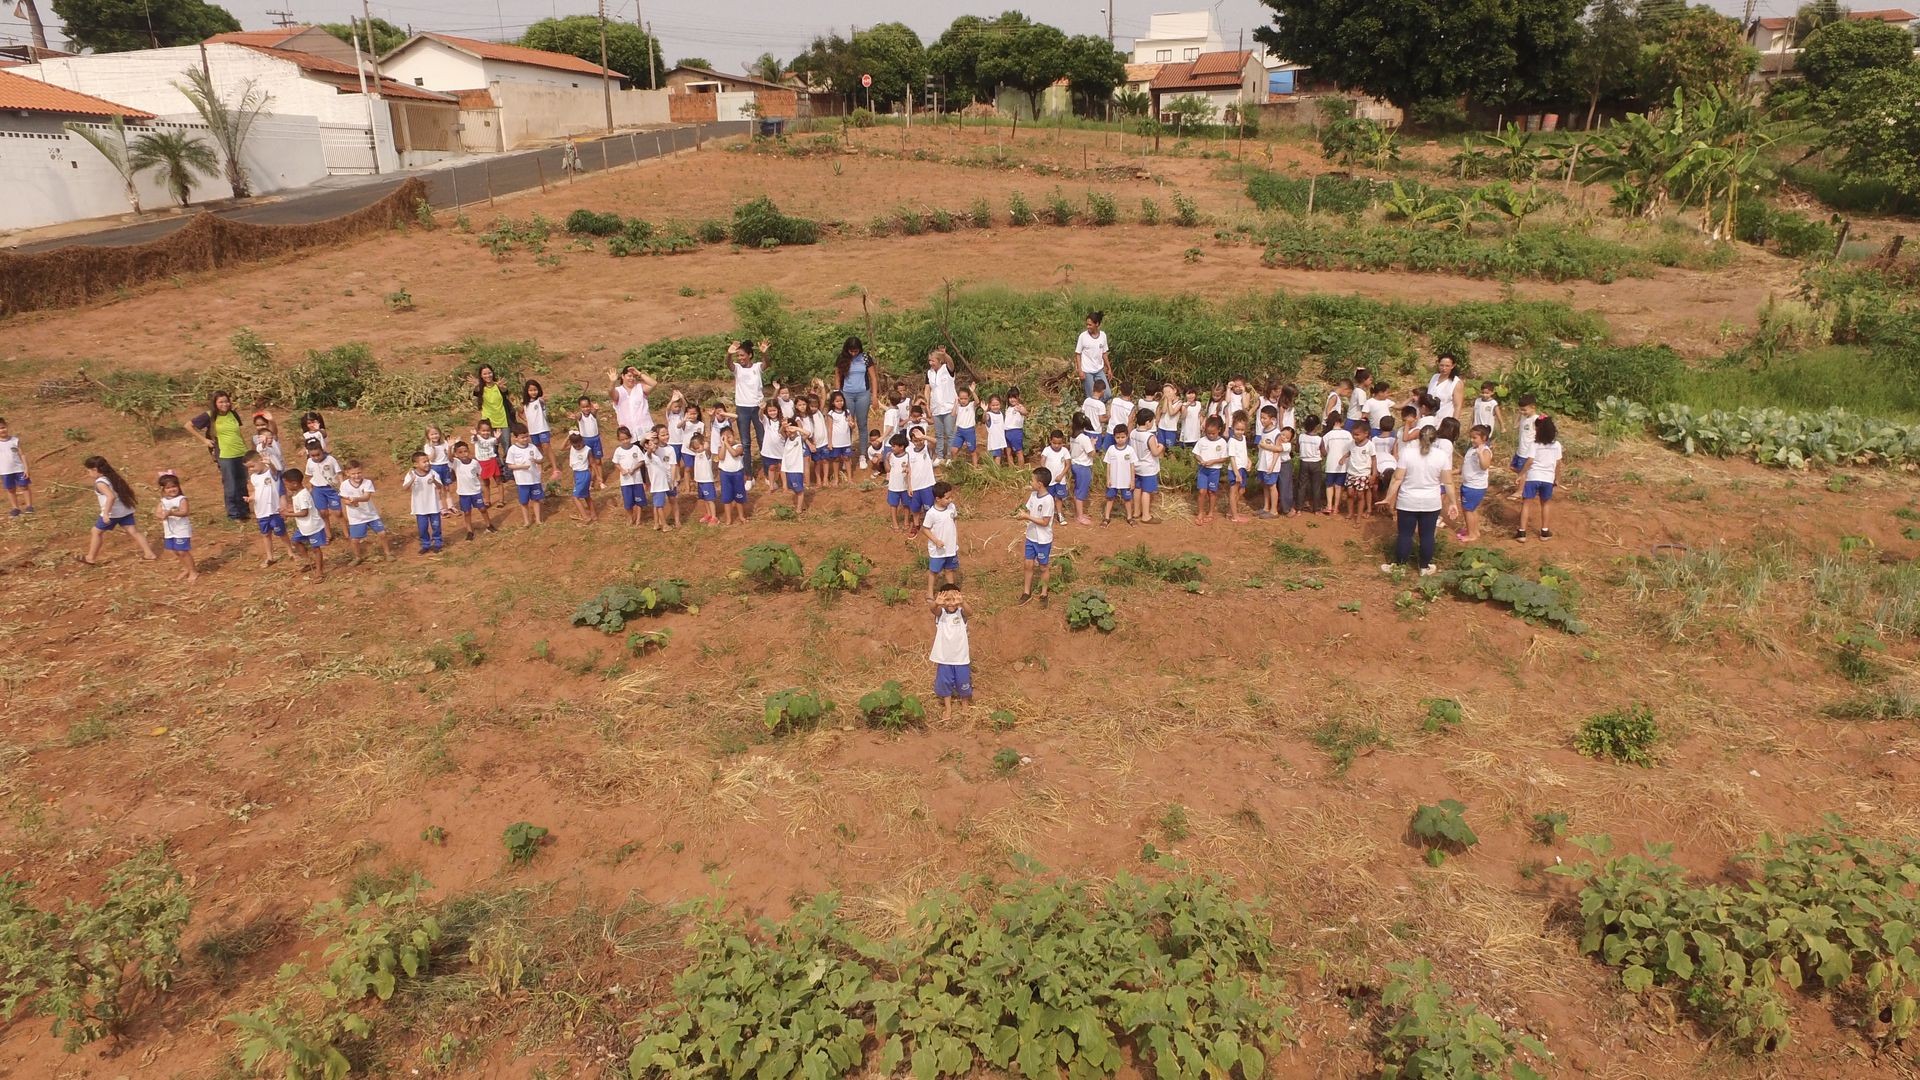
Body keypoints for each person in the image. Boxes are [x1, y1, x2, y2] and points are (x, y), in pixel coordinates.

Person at [1378, 426, 1456, 576]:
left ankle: (1400, 567)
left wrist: (1388, 498)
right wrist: (1453, 503)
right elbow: (1448, 483)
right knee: (1427, 536)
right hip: (1431, 502)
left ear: (1418, 437)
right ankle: (1424, 567)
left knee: (1405, 534)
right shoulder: (1441, 456)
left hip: (1407, 501)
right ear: (1435, 439)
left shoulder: (1407, 453)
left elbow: (1397, 478)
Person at [78, 454, 156, 566]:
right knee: (134, 531)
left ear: (95, 469)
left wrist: (105, 514)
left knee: (96, 532)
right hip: (125, 510)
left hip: (113, 513)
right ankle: (149, 554)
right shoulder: (112, 477)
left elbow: (111, 497)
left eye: (88, 471)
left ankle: (90, 557)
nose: (88, 473)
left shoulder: (100, 483)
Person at [187, 391, 251, 519]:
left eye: (226, 401)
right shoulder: (210, 416)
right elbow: (188, 425)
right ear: (215, 403)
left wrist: (246, 451)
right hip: (225, 454)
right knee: (230, 484)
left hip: (240, 452)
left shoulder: (233, 414)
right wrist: (204, 440)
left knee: (242, 483)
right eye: (221, 402)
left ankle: (244, 510)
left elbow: (238, 433)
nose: (225, 404)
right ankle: (233, 513)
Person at [929, 584, 972, 723]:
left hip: (961, 658)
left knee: (963, 683)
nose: (951, 603)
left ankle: (964, 704)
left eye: (954, 599)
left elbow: (970, 612)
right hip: (944, 657)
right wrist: (936, 603)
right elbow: (933, 610)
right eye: (947, 599)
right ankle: (948, 708)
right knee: (945, 683)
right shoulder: (941, 614)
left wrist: (963, 602)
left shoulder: (961, 613)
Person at [1517, 416, 1562, 542]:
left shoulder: (1534, 444)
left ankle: (1522, 533)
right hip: (1548, 478)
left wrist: (1521, 474)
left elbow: (1530, 461)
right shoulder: (1557, 445)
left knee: (1526, 503)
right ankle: (1544, 531)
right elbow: (1558, 463)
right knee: (1545, 504)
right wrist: (1557, 478)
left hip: (1533, 477)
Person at [339, 461, 394, 562]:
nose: (357, 475)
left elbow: (366, 497)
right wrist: (350, 503)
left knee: (382, 533)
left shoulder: (367, 482)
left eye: (359, 472)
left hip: (371, 514)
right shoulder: (344, 485)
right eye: (353, 473)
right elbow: (343, 499)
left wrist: (355, 500)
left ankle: (388, 553)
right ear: (347, 473)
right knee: (355, 540)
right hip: (356, 517)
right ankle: (357, 557)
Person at [727, 339, 769, 462]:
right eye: (738, 355)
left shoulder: (756, 367)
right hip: (742, 408)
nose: (740, 358)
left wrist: (764, 353)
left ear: (749, 355)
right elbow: (729, 365)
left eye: (742, 355)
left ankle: (767, 473)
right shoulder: (738, 368)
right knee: (745, 442)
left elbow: (766, 364)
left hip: (758, 408)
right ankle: (748, 476)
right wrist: (729, 354)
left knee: (762, 439)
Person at [284, 467, 329, 579]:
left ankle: (319, 572)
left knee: (316, 549)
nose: (286, 486)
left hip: (313, 527)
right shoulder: (298, 494)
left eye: (286, 484)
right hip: (304, 527)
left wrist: (288, 515)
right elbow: (301, 509)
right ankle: (308, 562)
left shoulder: (303, 495)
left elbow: (304, 513)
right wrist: (290, 510)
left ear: (294, 484)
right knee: (295, 541)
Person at [1019, 467, 1056, 605]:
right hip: (1031, 537)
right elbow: (1030, 510)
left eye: (1032, 480)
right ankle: (1026, 592)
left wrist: (1026, 517)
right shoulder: (1034, 495)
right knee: (1028, 564)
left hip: (1043, 540)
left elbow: (1045, 522)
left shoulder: (1048, 500)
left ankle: (1044, 593)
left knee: (1043, 566)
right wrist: (1023, 515)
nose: (1031, 482)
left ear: (1039, 483)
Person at [245, 451, 288, 566]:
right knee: (265, 534)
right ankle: (270, 557)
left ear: (260, 460)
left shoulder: (271, 473)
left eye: (252, 466)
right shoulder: (253, 478)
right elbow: (256, 491)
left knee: (281, 533)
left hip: (274, 510)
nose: (251, 469)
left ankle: (290, 552)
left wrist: (271, 464)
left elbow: (275, 472)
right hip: (261, 512)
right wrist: (251, 498)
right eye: (248, 468)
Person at [835, 336, 876, 450]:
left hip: (863, 394)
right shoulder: (842, 358)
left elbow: (873, 378)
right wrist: (837, 395)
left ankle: (863, 453)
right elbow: (837, 377)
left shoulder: (866, 358)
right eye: (851, 351)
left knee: (862, 424)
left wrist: (875, 396)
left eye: (856, 351)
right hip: (846, 394)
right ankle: (846, 451)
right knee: (847, 423)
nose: (853, 353)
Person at [400, 452, 446, 554]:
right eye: (424, 462)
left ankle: (437, 543)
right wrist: (412, 479)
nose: (427, 464)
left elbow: (440, 487)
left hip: (433, 506)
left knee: (436, 526)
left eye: (428, 461)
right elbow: (405, 488)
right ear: (416, 464)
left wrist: (434, 481)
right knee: (422, 528)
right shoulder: (411, 474)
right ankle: (425, 544)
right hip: (420, 508)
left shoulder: (433, 473)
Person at [155, 472, 195, 582]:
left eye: (174, 486)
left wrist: (171, 513)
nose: (172, 489)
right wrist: (161, 515)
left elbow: (184, 512)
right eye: (168, 488)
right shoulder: (163, 501)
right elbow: (157, 512)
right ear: (163, 489)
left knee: (182, 551)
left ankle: (193, 571)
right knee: (175, 551)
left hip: (181, 529)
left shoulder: (182, 499)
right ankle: (186, 568)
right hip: (169, 531)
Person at [924, 481, 960, 600]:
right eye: (947, 498)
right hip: (937, 550)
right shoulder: (932, 514)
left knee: (949, 570)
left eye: (950, 497)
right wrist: (936, 541)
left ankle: (952, 591)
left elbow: (954, 519)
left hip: (950, 547)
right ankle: (930, 592)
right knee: (934, 571)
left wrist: (955, 536)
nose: (950, 500)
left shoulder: (951, 507)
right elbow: (925, 529)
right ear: (938, 499)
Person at [451, 441, 493, 540]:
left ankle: (489, 525)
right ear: (456, 454)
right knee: (467, 512)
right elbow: (449, 458)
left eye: (465, 451)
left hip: (476, 491)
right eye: (460, 452)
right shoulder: (456, 463)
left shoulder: (474, 462)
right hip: (464, 493)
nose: (463, 454)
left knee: (482, 509)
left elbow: (479, 474)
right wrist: (449, 448)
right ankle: (469, 531)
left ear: (469, 451)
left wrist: (482, 487)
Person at [1458, 424, 1493, 542]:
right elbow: (1463, 467)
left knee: (1468, 510)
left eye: (1475, 438)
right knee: (1470, 509)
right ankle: (1474, 530)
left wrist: (1480, 454)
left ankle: (1471, 534)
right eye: (1471, 437)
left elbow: (1485, 466)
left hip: (1474, 486)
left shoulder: (1485, 451)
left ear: (1483, 438)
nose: (1472, 440)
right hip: (1468, 484)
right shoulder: (1471, 449)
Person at [609, 365, 657, 449]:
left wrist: (639, 373)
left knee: (649, 457)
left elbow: (654, 384)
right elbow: (611, 393)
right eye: (629, 376)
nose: (632, 378)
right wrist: (612, 382)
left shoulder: (640, 388)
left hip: (645, 430)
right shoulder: (619, 391)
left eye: (634, 376)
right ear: (623, 376)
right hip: (628, 434)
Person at [504, 428, 545, 527]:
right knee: (524, 502)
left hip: (534, 479)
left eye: (527, 436)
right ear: (515, 438)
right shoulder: (512, 450)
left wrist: (536, 461)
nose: (525, 439)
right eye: (522, 437)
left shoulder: (532, 447)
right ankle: (527, 521)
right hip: (522, 480)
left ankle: (538, 519)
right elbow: (510, 465)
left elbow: (541, 459)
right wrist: (521, 467)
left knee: (536, 499)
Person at [1129, 409, 1164, 524]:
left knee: (1137, 489)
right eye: (1153, 421)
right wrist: (1161, 447)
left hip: (1136, 466)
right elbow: (1155, 452)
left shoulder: (1133, 433)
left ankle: (1136, 512)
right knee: (1146, 491)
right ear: (1148, 422)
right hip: (1148, 468)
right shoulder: (1150, 436)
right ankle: (1146, 516)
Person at [926, 346, 958, 465]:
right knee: (939, 434)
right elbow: (928, 389)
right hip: (936, 408)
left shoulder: (947, 369)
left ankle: (950, 456)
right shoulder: (929, 373)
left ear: (939, 360)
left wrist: (945, 355)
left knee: (949, 433)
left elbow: (951, 363)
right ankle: (940, 456)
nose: (931, 363)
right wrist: (928, 405)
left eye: (933, 360)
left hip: (949, 406)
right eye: (930, 360)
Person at [1193, 417, 1228, 526]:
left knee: (1212, 492)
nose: (1210, 435)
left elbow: (1225, 458)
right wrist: (1201, 460)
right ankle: (1200, 512)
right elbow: (1196, 454)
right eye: (1208, 433)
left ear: (1219, 430)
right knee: (1201, 491)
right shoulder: (1202, 440)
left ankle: (1211, 512)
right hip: (1203, 470)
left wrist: (1213, 461)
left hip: (1214, 471)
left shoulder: (1222, 442)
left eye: (1213, 433)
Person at [1102, 423, 1137, 526]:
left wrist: (1132, 481)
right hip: (1113, 481)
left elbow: (1132, 466)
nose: (1120, 439)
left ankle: (1129, 517)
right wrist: (1108, 479)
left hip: (1126, 481)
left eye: (1123, 437)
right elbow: (1108, 465)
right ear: (1114, 437)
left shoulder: (1130, 450)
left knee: (1127, 499)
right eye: (1118, 437)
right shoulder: (1111, 449)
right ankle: (1106, 518)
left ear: (1127, 437)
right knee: (1110, 498)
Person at [644, 427, 679, 530]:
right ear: (656, 436)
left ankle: (677, 521)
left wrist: (672, 480)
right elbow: (646, 446)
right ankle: (660, 523)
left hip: (668, 480)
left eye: (667, 434)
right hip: (659, 483)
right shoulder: (653, 449)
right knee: (658, 504)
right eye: (662, 435)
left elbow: (673, 465)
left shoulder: (670, 449)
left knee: (672, 500)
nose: (666, 437)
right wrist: (646, 438)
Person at [905, 426, 937, 539]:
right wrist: (909, 486)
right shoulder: (908, 452)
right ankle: (916, 525)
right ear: (911, 441)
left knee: (929, 508)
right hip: (914, 486)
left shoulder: (927, 449)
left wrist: (923, 436)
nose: (918, 442)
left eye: (920, 440)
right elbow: (909, 470)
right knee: (915, 509)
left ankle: (931, 526)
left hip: (927, 485)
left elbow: (935, 442)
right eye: (915, 440)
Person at [611, 427, 647, 527]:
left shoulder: (636, 448)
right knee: (628, 501)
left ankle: (639, 519)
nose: (625, 441)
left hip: (637, 480)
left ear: (630, 437)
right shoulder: (618, 450)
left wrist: (634, 469)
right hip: (625, 481)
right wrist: (622, 470)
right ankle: (630, 517)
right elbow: (616, 463)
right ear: (619, 440)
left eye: (627, 438)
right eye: (622, 439)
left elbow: (641, 461)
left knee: (639, 500)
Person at [1255, 406, 1286, 519]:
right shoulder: (1263, 430)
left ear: (1272, 419)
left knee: (1272, 486)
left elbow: (1278, 450)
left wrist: (1272, 466)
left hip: (1271, 464)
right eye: (1261, 418)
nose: (1262, 420)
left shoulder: (1276, 432)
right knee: (1265, 485)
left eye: (1264, 418)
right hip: (1263, 463)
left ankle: (1274, 510)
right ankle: (1266, 507)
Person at [1074, 311, 1111, 402]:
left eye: (1090, 325)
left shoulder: (1103, 336)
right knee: (1092, 398)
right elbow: (1078, 354)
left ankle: (1101, 409)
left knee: (1107, 394)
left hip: (1099, 370)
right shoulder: (1083, 336)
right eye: (1087, 324)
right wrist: (1080, 371)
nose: (1088, 327)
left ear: (1097, 324)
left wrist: (1109, 368)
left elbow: (1104, 353)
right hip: (1087, 371)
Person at [0, 417, 34, 516]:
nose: (2, 430)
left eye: (3, 427)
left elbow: (22, 454)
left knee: (24, 486)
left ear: (6, 426)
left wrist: (26, 468)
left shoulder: (15, 440)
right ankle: (15, 508)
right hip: (5, 471)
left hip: (19, 469)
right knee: (10, 489)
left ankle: (29, 506)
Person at [1321, 412, 1353, 516]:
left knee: (1329, 485)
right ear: (1339, 422)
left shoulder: (1327, 435)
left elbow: (1324, 452)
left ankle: (1329, 506)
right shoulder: (1348, 434)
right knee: (1339, 486)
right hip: (1343, 465)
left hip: (1331, 464)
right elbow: (1352, 449)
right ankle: (1336, 507)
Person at [1068, 415, 1097, 526]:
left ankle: (1079, 513)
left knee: (1077, 489)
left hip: (1075, 465)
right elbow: (1092, 453)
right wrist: (1093, 444)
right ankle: (1080, 516)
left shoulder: (1072, 436)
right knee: (1081, 492)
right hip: (1083, 467)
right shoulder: (1084, 438)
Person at [717, 426, 749, 525]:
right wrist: (724, 445)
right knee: (727, 498)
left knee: (739, 497)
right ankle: (728, 519)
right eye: (724, 437)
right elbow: (721, 457)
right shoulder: (721, 448)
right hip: (725, 474)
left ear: (734, 435)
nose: (727, 439)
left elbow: (735, 454)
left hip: (737, 474)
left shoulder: (739, 446)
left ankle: (741, 516)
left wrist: (726, 443)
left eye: (729, 437)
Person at [1510, 393, 1540, 499]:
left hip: (1528, 451)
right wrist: (1520, 414)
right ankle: (1528, 481)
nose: (1522, 412)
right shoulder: (1523, 417)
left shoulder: (1536, 419)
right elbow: (1514, 426)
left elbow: (1540, 434)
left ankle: (1520, 491)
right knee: (1513, 467)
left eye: (1524, 410)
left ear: (1533, 407)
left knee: (1523, 472)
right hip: (1521, 450)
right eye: (1521, 410)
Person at [471, 365, 517, 433]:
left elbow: (505, 392)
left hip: (503, 421)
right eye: (485, 374)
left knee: (506, 443)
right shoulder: (480, 388)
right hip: (487, 422)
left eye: (489, 373)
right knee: (490, 443)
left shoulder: (499, 385)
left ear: (493, 373)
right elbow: (476, 392)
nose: (488, 376)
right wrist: (477, 385)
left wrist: (501, 387)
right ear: (481, 376)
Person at [573, 397, 606, 491]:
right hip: (585, 441)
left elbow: (595, 412)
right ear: (580, 407)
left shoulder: (593, 414)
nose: (586, 409)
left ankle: (601, 481)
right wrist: (574, 416)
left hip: (596, 439)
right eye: (583, 407)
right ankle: (590, 482)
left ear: (590, 406)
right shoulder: (580, 415)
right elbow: (577, 416)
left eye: (587, 406)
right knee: (589, 463)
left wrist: (596, 409)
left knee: (598, 462)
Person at [1225, 416, 1252, 523]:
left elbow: (1243, 452)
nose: (1240, 432)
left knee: (1242, 490)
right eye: (1237, 429)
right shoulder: (1232, 441)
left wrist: (1249, 461)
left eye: (1242, 430)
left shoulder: (1243, 438)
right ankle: (1235, 516)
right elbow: (1232, 457)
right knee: (1233, 491)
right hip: (1235, 469)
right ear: (1232, 428)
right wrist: (1236, 473)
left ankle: (1230, 511)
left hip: (1243, 468)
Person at [471, 420, 504, 509]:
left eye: (488, 431)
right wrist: (474, 435)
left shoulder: (492, 439)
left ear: (491, 431)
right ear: (479, 431)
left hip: (492, 461)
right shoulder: (477, 438)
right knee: (485, 483)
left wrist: (498, 437)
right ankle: (487, 501)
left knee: (498, 481)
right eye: (483, 431)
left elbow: (497, 442)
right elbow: (474, 439)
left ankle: (501, 500)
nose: (485, 433)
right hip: (481, 463)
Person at [423, 425, 456, 513]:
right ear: (428, 436)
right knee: (438, 489)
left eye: (436, 433)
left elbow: (450, 457)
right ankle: (441, 508)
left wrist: (449, 447)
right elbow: (431, 459)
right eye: (432, 434)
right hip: (434, 468)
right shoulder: (427, 446)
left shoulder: (445, 443)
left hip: (445, 466)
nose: (434, 436)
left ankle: (451, 506)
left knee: (447, 488)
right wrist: (433, 448)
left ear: (440, 433)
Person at [565, 432, 596, 523]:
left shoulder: (587, 450)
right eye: (575, 446)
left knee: (575, 497)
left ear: (582, 441)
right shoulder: (572, 448)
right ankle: (593, 515)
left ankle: (585, 517)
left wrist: (598, 477)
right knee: (586, 496)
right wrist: (567, 437)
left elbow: (593, 463)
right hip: (577, 473)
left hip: (583, 474)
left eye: (579, 445)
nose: (577, 447)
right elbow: (561, 448)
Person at [883, 432, 911, 531]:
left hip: (905, 486)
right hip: (893, 486)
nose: (892, 448)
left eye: (894, 446)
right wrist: (886, 460)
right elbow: (888, 470)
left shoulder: (908, 456)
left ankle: (906, 521)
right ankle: (895, 523)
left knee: (906, 504)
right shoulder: (891, 456)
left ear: (902, 447)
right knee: (893, 505)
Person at [688, 432, 717, 526]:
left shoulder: (706, 454)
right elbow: (688, 446)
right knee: (704, 499)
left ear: (703, 444)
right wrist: (695, 438)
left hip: (707, 480)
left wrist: (706, 444)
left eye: (698, 447)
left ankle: (714, 517)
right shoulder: (697, 453)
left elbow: (708, 449)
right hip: (700, 480)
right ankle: (708, 514)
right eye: (695, 448)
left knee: (710, 499)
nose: (696, 450)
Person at [826, 392, 855, 484]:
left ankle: (850, 479)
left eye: (841, 401)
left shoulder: (847, 412)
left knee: (847, 458)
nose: (840, 403)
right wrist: (830, 442)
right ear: (833, 403)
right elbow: (829, 429)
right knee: (836, 459)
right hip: (836, 442)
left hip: (846, 442)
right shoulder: (831, 414)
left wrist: (852, 424)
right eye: (837, 401)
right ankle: (836, 478)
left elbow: (852, 425)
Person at [1346, 426, 1376, 518]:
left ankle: (1358, 516)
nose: (1355, 437)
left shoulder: (1370, 445)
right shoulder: (1351, 443)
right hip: (1351, 472)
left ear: (1366, 434)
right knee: (1350, 493)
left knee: (1360, 495)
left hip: (1363, 474)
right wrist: (1343, 458)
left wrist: (1374, 473)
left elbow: (1374, 459)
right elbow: (1350, 452)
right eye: (1353, 434)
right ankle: (1350, 513)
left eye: (1357, 435)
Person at [1428, 354, 1466, 423]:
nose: (1444, 368)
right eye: (1442, 365)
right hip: (1429, 419)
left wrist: (1454, 424)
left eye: (1447, 366)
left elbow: (1458, 406)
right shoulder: (1434, 377)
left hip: (1444, 421)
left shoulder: (1456, 383)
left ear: (1453, 366)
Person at [952, 385, 980, 465]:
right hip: (959, 431)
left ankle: (975, 467)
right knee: (954, 450)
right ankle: (956, 467)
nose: (963, 400)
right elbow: (953, 414)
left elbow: (977, 402)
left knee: (972, 451)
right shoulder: (958, 406)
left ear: (969, 398)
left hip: (969, 431)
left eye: (965, 398)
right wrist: (956, 403)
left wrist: (973, 391)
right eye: (961, 398)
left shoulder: (971, 405)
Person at [1003, 391, 1029, 465]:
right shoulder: (1008, 408)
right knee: (1008, 452)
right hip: (1007, 432)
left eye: (1014, 397)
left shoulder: (1020, 406)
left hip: (1015, 432)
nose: (1012, 399)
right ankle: (1011, 469)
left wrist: (1021, 410)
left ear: (1018, 397)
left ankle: (1021, 469)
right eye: (1010, 398)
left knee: (1018, 451)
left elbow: (1025, 413)